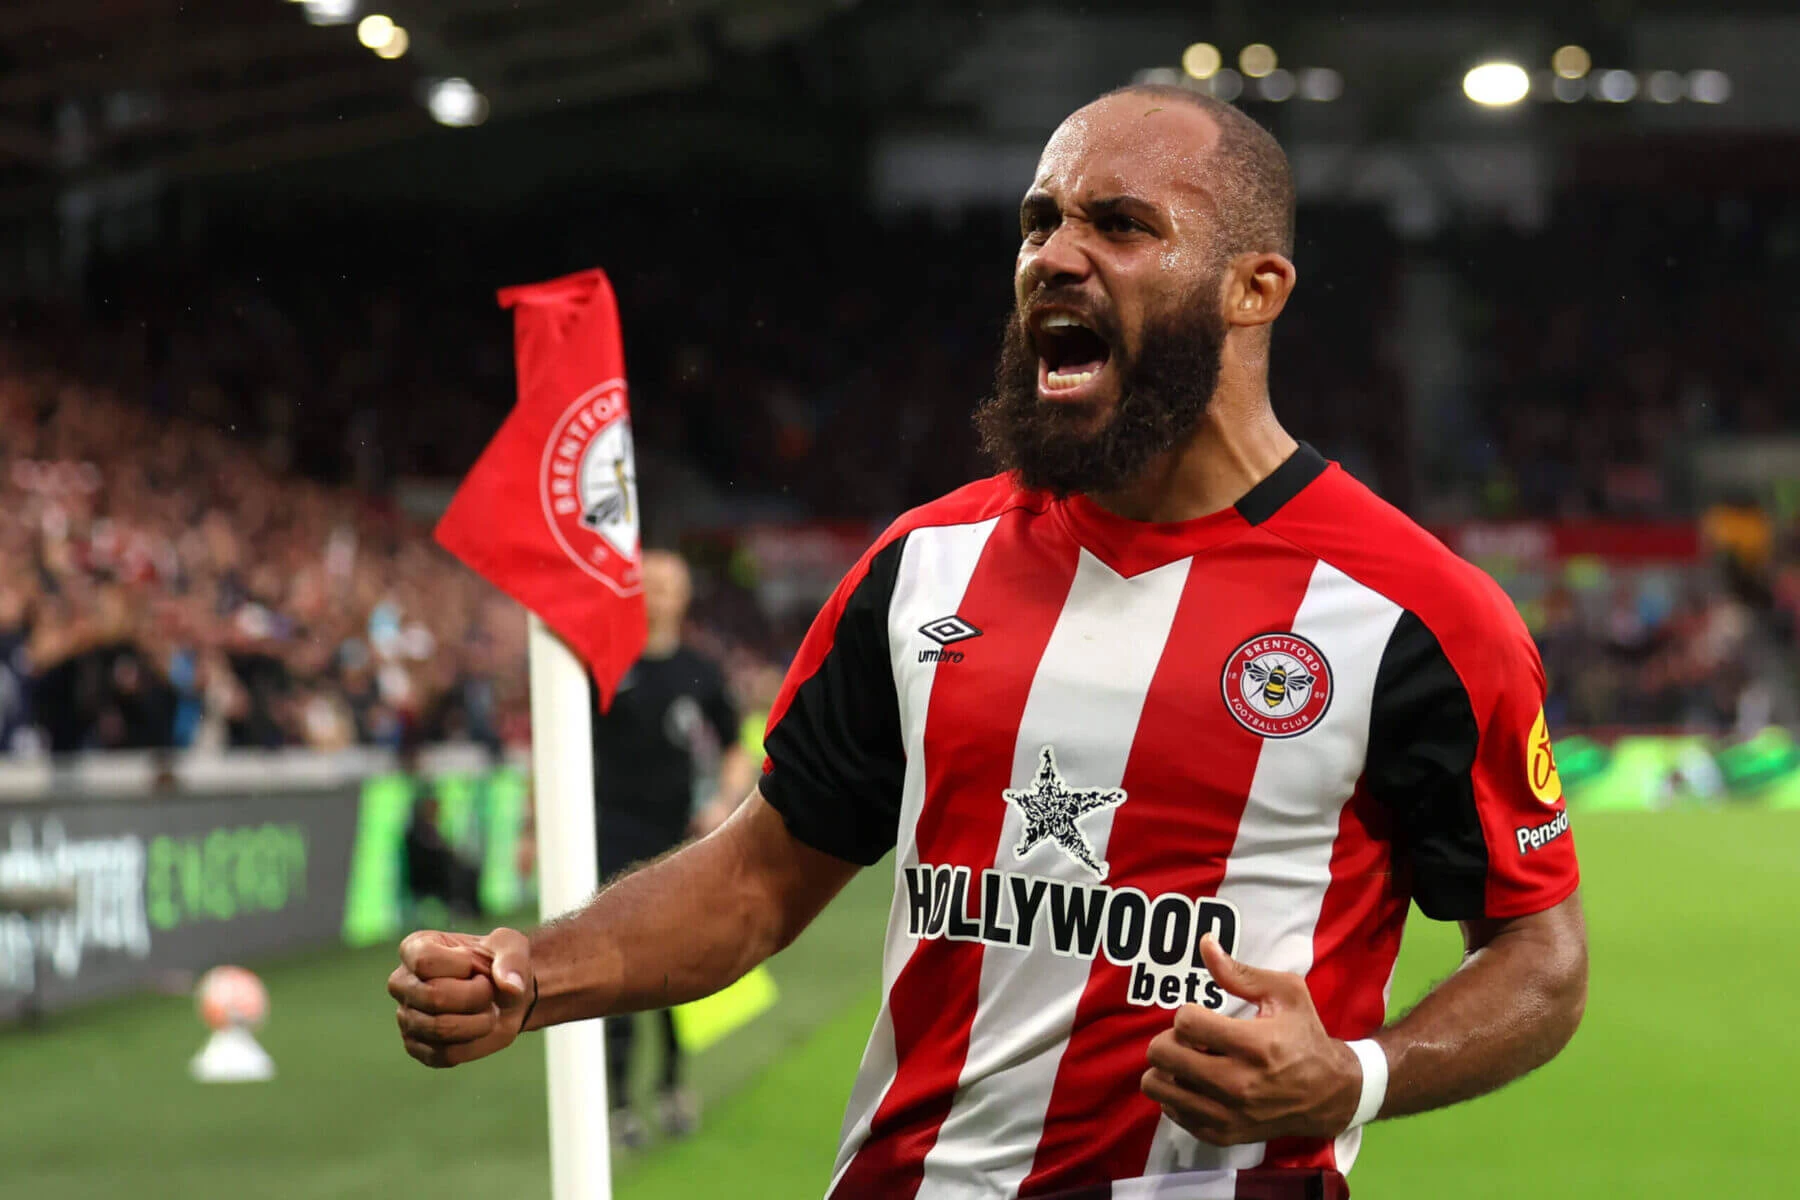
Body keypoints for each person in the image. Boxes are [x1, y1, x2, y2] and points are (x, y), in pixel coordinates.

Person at [389, 85, 1587, 1198]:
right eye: (1039, 221)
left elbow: (1540, 954)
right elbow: (758, 879)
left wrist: (1353, 1078)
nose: (1054, 255)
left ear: (1254, 289)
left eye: (1120, 225)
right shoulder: (923, 567)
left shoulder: (1415, 615)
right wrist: (530, 973)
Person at [590, 549, 756, 1147]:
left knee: (673, 970)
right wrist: (537, 826)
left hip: (677, 839)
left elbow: (737, 748)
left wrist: (723, 804)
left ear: (684, 596)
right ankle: (617, 1102)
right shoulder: (604, 666)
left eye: (670, 585)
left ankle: (670, 1086)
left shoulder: (699, 670)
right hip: (613, 834)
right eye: (650, 583)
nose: (659, 594)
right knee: (615, 972)